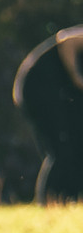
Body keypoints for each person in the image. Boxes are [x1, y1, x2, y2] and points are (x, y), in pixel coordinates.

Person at [14, 26, 83, 204]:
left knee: (75, 145)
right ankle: (49, 200)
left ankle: (70, 199)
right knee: (61, 149)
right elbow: (66, 40)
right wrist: (77, 78)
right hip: (37, 87)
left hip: (55, 92)